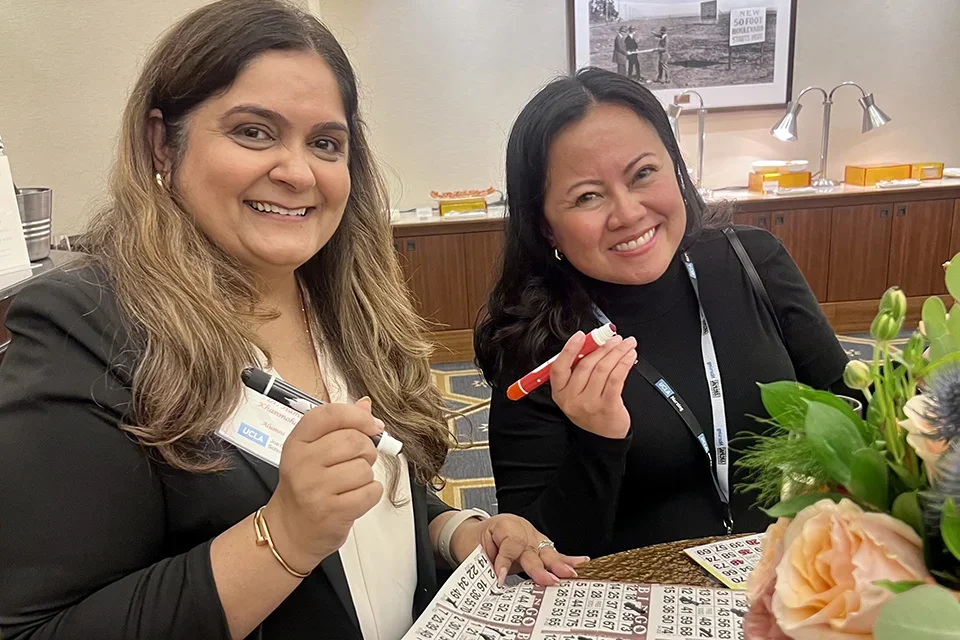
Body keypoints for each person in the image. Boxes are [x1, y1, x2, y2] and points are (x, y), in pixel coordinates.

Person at [0, 2, 586, 639]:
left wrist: (458, 533)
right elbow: (38, 630)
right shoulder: (84, 328)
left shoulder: (345, 307)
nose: (297, 171)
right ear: (161, 142)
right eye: (253, 131)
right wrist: (281, 538)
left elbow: (364, 498)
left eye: (325, 144)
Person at [474, 69, 851, 558]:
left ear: (676, 167)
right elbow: (536, 555)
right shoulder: (533, 341)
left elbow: (849, 407)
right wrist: (598, 442)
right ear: (545, 226)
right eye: (588, 196)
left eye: (643, 174)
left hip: (795, 585)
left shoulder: (752, 261)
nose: (628, 213)